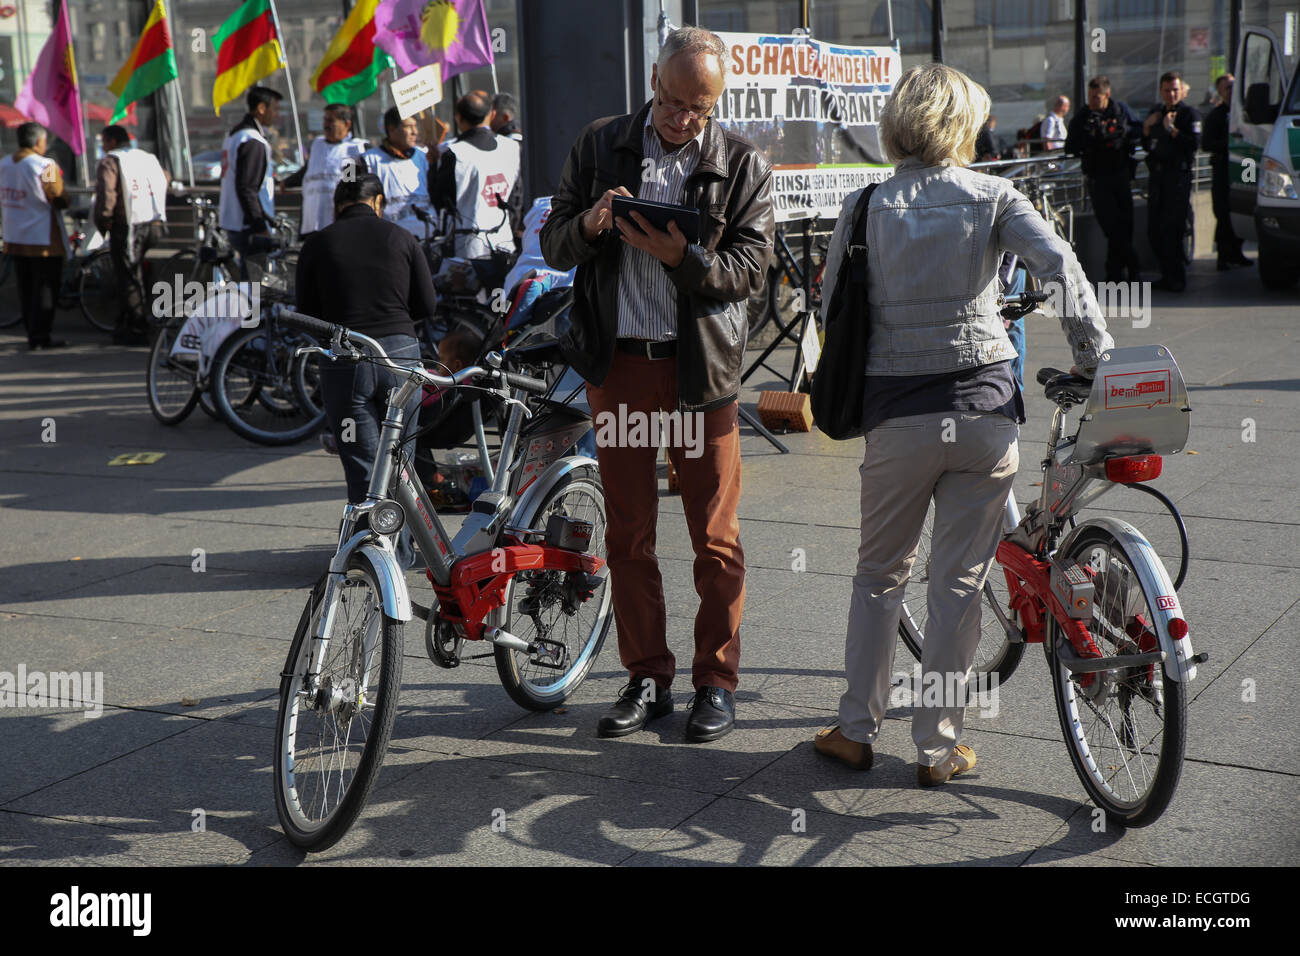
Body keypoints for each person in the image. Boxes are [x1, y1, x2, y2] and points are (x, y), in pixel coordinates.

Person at [811, 64, 1112, 786]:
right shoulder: (993, 195)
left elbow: (829, 313)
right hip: (982, 413)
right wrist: (1096, 359)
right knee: (958, 584)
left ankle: (855, 730)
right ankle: (938, 748)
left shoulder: (862, 205)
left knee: (880, 575)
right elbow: (1061, 267)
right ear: (961, 126)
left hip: (896, 415)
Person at [539, 26, 774, 743]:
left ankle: (716, 682)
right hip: (622, 367)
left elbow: (751, 271)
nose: (683, 120)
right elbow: (553, 242)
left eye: (699, 109)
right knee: (630, 533)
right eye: (673, 102)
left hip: (699, 371)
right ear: (652, 81)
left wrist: (685, 258)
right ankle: (647, 675)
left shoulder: (741, 162)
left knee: (715, 537)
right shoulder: (601, 143)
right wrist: (589, 222)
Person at [295, 171, 438, 569]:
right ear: (378, 202)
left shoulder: (318, 243)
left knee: (362, 461)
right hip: (401, 359)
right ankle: (403, 552)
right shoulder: (401, 237)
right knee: (400, 460)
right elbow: (427, 305)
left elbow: (306, 313)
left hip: (346, 362)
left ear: (337, 205)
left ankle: (369, 551)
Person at [93, 125, 169, 345]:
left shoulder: (110, 161)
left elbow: (107, 194)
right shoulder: (147, 157)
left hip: (128, 225)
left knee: (127, 276)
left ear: (113, 142)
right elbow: (165, 177)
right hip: (153, 222)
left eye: (104, 142)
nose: (104, 147)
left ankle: (137, 327)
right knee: (137, 272)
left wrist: (103, 220)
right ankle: (130, 319)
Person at [1065, 75, 1142, 282]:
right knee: (1111, 226)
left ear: (1107, 95)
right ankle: (1133, 265)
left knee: (1125, 226)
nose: (1092, 102)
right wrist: (1090, 136)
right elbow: (1070, 146)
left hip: (1120, 174)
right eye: (1090, 97)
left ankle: (1114, 273)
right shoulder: (1083, 116)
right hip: (1098, 178)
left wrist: (1121, 132)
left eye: (1096, 97)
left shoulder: (1120, 111)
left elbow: (1138, 130)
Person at [0, 122, 69, 350]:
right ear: (39, 141)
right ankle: (41, 335)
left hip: (14, 236)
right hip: (43, 239)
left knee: (26, 288)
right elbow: (57, 196)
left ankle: (32, 332)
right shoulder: (45, 165)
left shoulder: (4, 164)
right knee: (46, 288)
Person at [430, 91, 521, 260]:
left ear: (458, 118)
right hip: (504, 241)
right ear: (491, 114)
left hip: (466, 248)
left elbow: (439, 200)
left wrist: (432, 166)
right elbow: (516, 197)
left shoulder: (454, 154)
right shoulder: (512, 148)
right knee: (501, 287)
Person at [1143, 70, 1202, 292]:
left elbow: (1194, 144)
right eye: (1167, 90)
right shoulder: (1155, 113)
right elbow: (1147, 144)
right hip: (1158, 177)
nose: (1171, 94)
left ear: (1182, 90)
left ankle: (1177, 278)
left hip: (1178, 177)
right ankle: (1166, 275)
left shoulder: (1189, 114)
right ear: (1161, 91)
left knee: (1173, 228)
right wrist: (1148, 128)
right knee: (1155, 229)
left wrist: (1172, 130)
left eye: (1175, 89)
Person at [219, 85, 282, 278]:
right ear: (261, 109)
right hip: (248, 225)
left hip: (233, 220)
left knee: (248, 283)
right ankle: (249, 308)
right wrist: (260, 226)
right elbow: (247, 188)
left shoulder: (234, 135)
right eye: (275, 109)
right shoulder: (252, 140)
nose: (276, 114)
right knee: (254, 287)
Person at [282, 103, 368, 238]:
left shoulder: (351, 150)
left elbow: (349, 182)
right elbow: (309, 169)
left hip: (334, 220)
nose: (325, 125)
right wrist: (287, 182)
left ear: (347, 124)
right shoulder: (317, 145)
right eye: (325, 120)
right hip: (312, 218)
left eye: (331, 121)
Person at [1202, 74, 1252, 271]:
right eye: (1227, 88)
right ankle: (1223, 255)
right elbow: (1207, 144)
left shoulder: (1247, 112)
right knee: (1223, 213)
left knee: (1243, 207)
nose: (1231, 91)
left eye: (1234, 86)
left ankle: (1236, 252)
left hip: (1245, 168)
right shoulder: (1216, 115)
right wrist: (1232, 144)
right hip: (1223, 170)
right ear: (1221, 92)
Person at [362, 107, 432, 238]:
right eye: (408, 126)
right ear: (391, 129)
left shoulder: (425, 157)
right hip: (391, 240)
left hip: (427, 238)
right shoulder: (368, 160)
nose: (414, 132)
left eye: (415, 126)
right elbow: (352, 193)